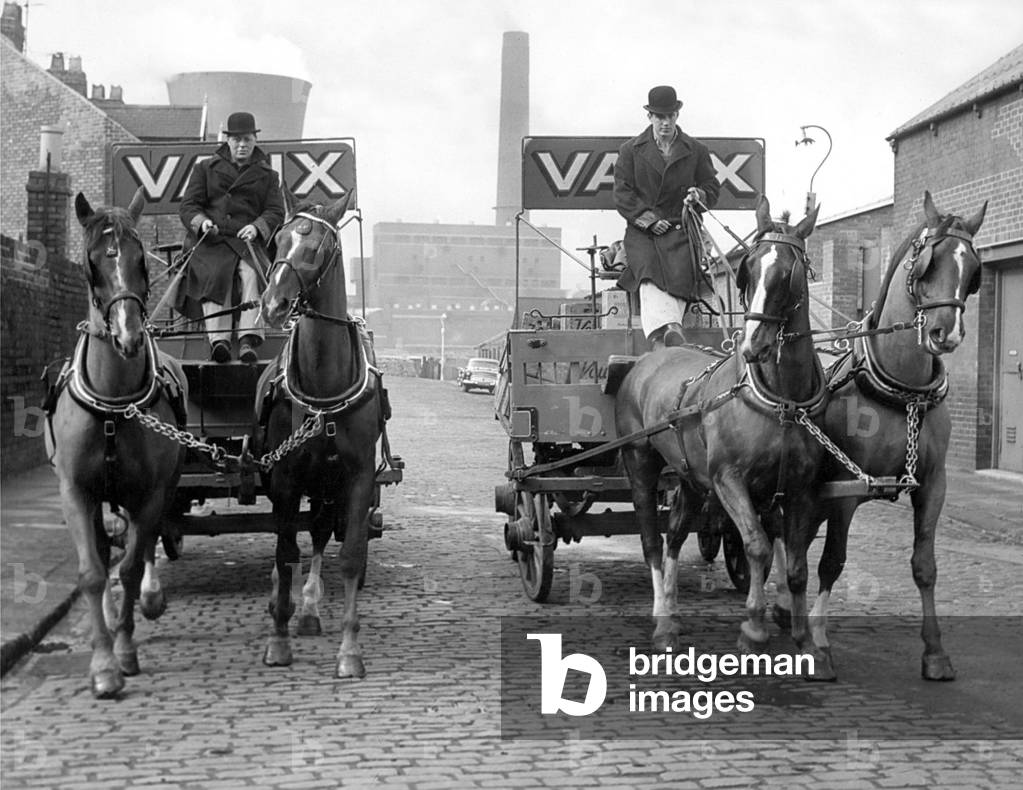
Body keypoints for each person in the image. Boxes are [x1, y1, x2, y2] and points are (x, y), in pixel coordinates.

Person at [613, 85, 720, 349]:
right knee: (648, 270)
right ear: (649, 116)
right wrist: (648, 220)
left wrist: (698, 195)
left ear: (677, 115)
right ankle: (669, 329)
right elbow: (622, 193)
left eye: (670, 116)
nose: (666, 122)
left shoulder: (696, 150)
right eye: (660, 116)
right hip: (643, 233)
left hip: (680, 229)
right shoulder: (630, 150)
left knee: (681, 269)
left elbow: (712, 187)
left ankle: (665, 335)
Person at [178, 111, 285, 363]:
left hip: (247, 243)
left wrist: (257, 227)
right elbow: (188, 206)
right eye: (237, 140)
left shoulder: (269, 176)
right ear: (228, 141)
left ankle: (248, 340)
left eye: (247, 139)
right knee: (215, 274)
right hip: (213, 241)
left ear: (255, 140)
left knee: (251, 275)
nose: (242, 145)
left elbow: (276, 211)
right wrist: (202, 222)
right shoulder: (204, 169)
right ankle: (220, 342)